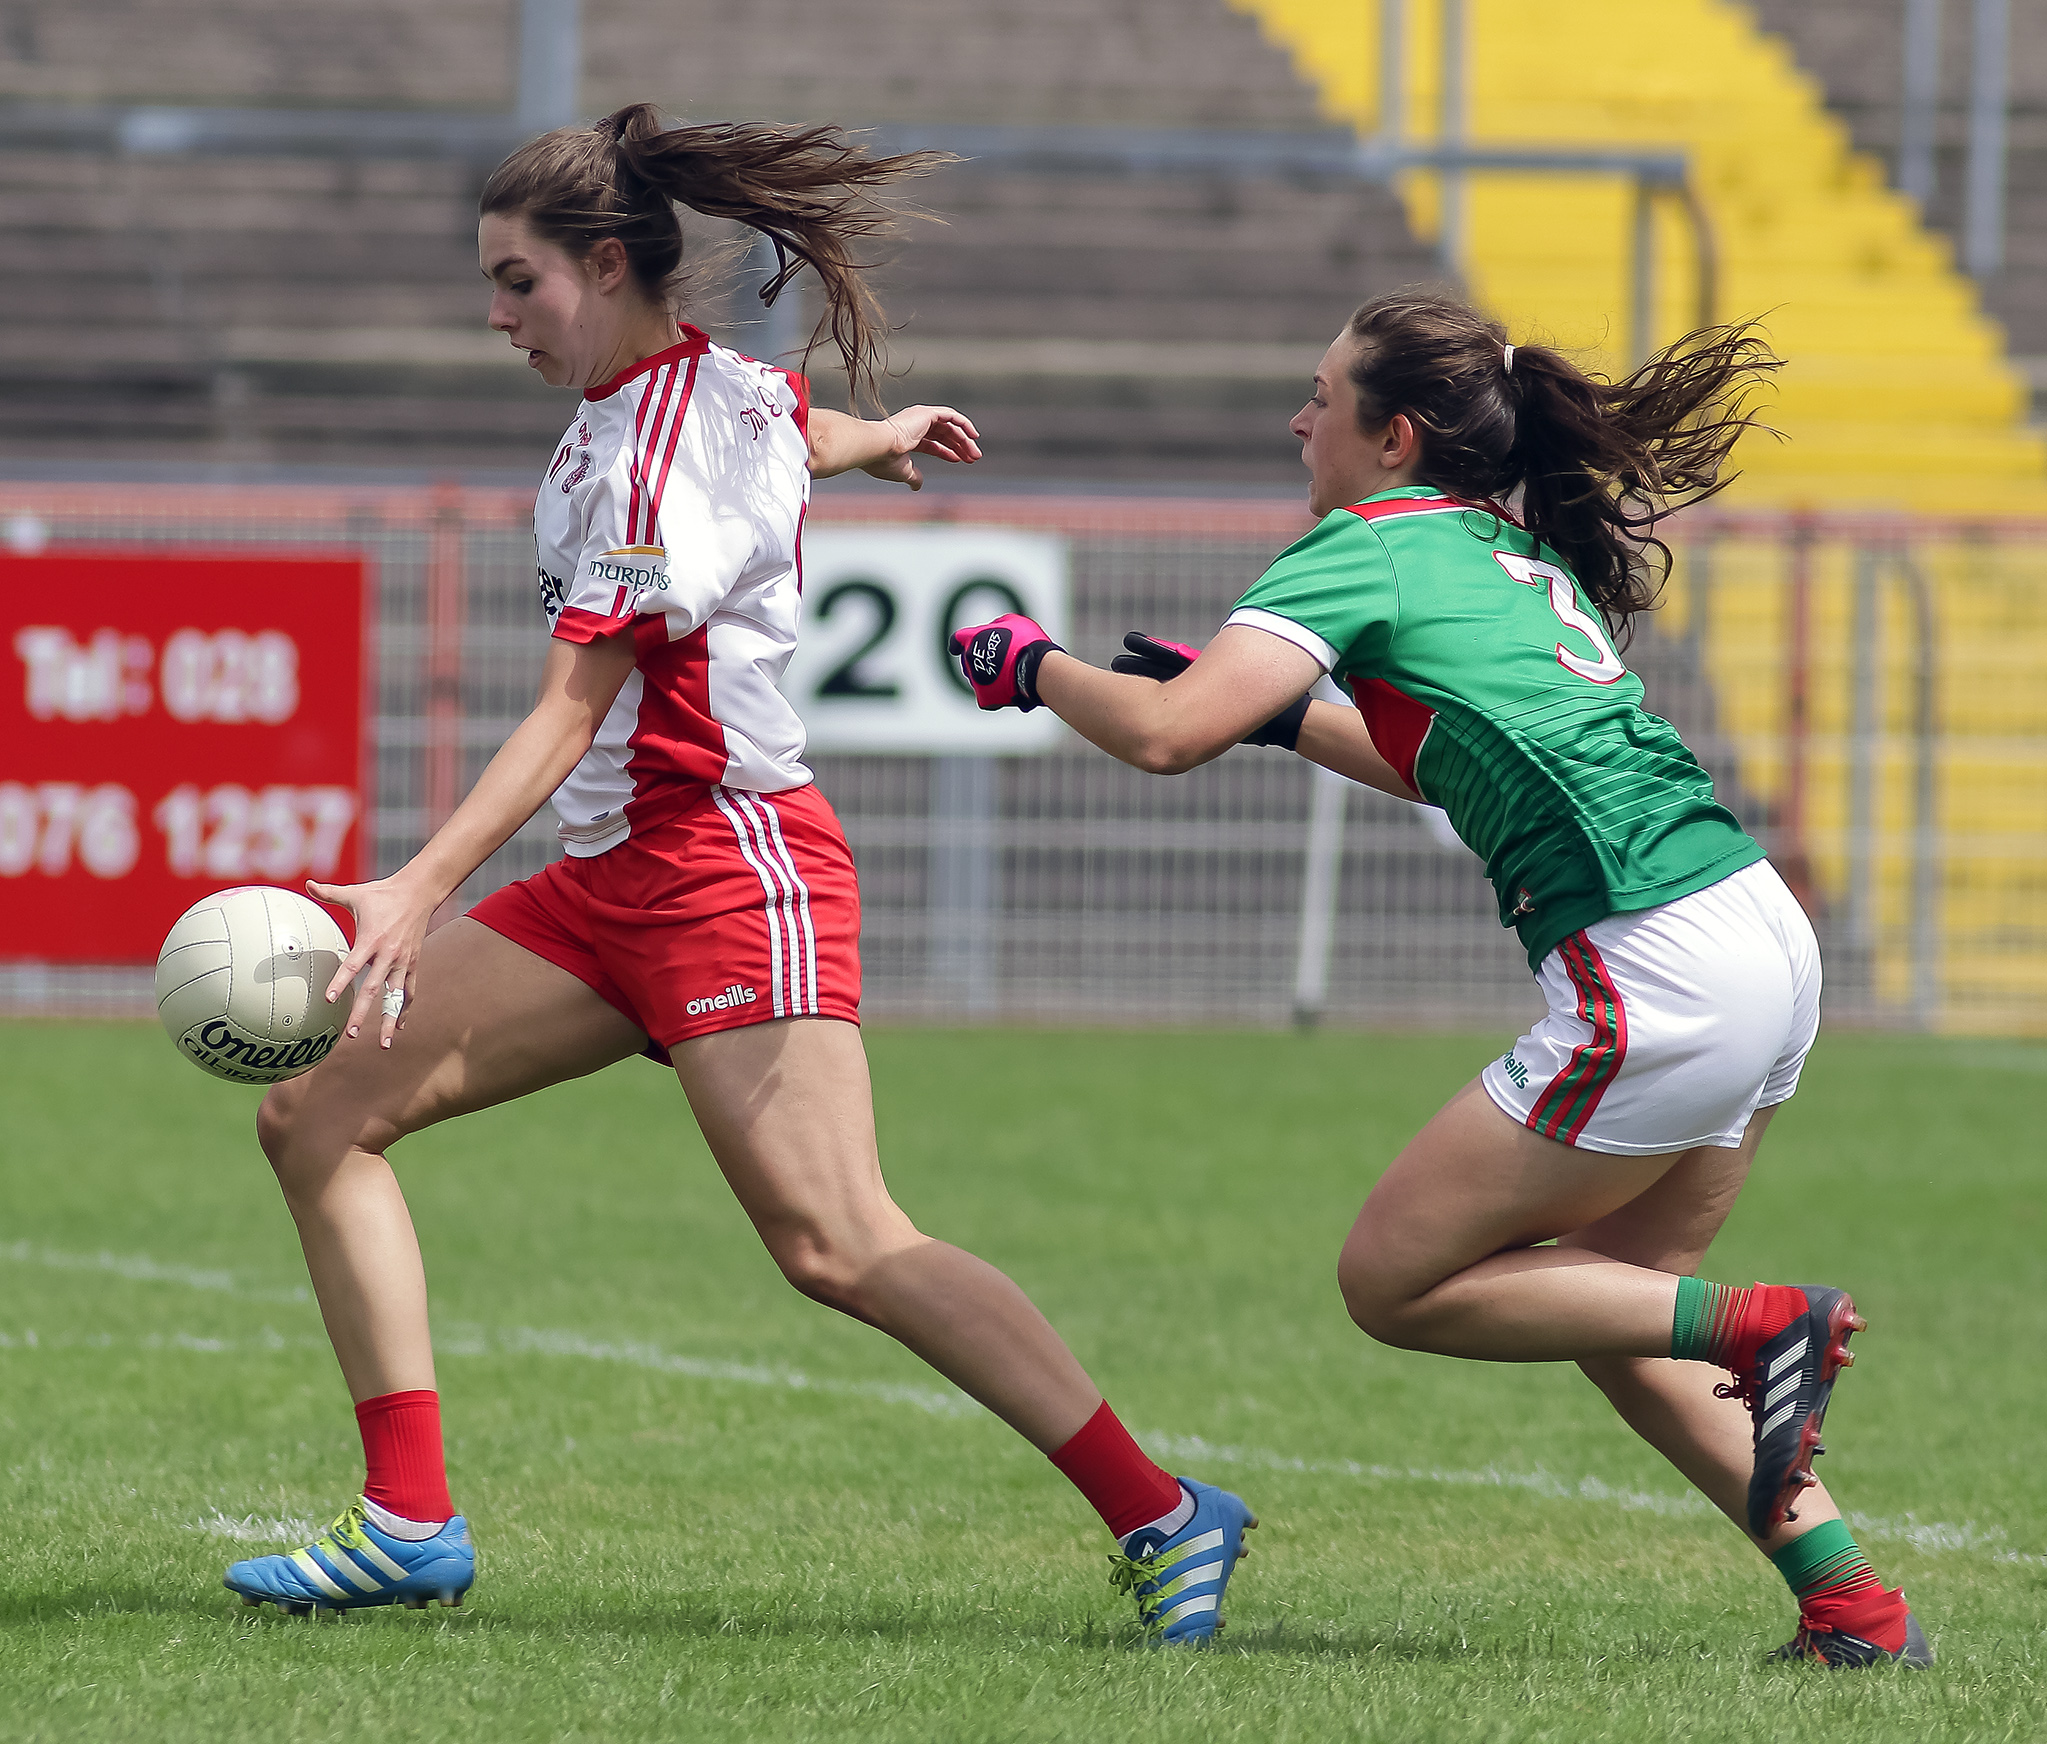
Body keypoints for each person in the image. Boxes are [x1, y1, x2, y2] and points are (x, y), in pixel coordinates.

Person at [224, 105, 1253, 1644]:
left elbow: (576, 703)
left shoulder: (653, 457)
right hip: (606, 883)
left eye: (520, 284)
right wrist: (881, 435)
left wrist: (416, 885)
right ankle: (409, 1521)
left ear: (612, 263)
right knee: (318, 1114)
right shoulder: (720, 390)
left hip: (724, 871)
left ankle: (1166, 1512)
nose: (494, 315)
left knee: (840, 1244)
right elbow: (791, 424)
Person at [950, 290, 1931, 1669]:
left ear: (1392, 434)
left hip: (1651, 963)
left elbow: (1167, 735)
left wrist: (1028, 664)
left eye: (1320, 395)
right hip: (1756, 928)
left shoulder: (1358, 548)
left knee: (1395, 1283)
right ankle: (1856, 1613)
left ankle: (1771, 1326)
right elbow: (1442, 760)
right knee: (1616, 1309)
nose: (1299, 420)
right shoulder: (1506, 554)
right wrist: (1292, 721)